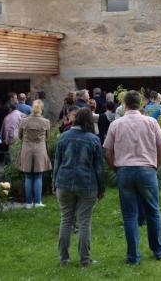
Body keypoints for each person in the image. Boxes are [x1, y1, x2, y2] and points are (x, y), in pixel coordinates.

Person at [103, 90, 161, 264]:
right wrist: (155, 165)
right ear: (140, 104)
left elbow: (107, 151)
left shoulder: (116, 124)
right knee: (153, 211)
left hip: (124, 170)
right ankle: (158, 249)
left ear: (124, 104)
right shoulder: (151, 122)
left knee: (129, 215)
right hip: (147, 169)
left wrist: (115, 168)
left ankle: (133, 256)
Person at [54, 107, 106, 267]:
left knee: (66, 220)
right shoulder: (93, 139)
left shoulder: (64, 136)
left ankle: (64, 259)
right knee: (84, 222)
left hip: (64, 182)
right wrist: (101, 188)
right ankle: (84, 260)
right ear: (89, 121)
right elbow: (99, 167)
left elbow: (58, 161)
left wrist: (54, 182)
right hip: (86, 184)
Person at [18, 100, 52, 208]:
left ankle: (28, 203)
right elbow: (47, 137)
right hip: (40, 149)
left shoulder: (24, 120)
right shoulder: (46, 122)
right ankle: (37, 202)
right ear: (41, 109)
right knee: (38, 176)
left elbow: (19, 136)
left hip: (26, 149)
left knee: (28, 176)